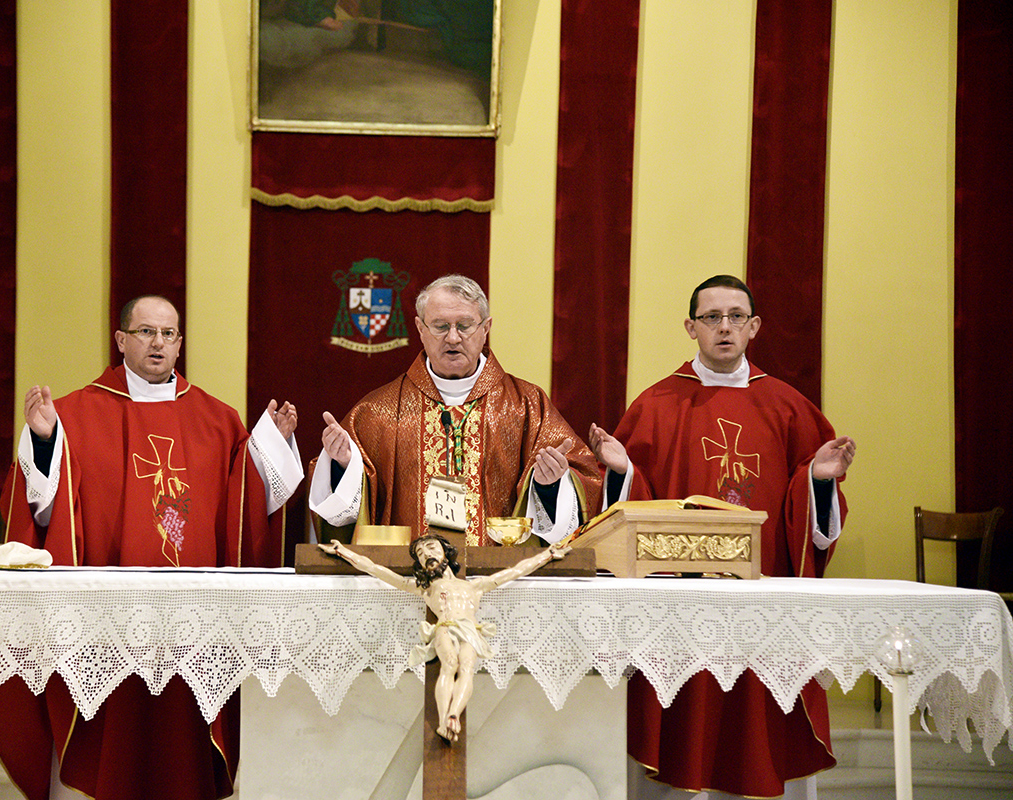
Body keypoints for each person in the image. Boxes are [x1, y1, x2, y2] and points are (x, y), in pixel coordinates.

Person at [0, 295, 304, 800]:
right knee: (115, 733)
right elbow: (43, 515)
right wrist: (45, 443)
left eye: (168, 334)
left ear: (179, 343)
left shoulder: (217, 418)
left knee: (182, 747)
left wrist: (270, 449)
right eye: (146, 332)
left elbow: (245, 508)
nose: (158, 343)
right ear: (121, 340)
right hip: (105, 624)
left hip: (194, 624)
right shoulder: (73, 413)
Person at [588, 275, 855, 800]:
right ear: (691, 328)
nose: (724, 327)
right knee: (684, 712)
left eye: (736, 317)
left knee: (756, 714)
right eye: (711, 317)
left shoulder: (787, 405)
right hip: (678, 603)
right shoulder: (657, 404)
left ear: (754, 327)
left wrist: (817, 480)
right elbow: (630, 511)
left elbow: (810, 518)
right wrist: (623, 473)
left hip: (761, 597)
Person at [309, 274, 602, 547]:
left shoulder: (526, 405)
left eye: (464, 326)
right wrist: (343, 466)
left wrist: (550, 485)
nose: (452, 338)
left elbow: (583, 477)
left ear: (485, 329)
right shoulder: (378, 412)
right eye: (440, 326)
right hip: (406, 575)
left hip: (498, 575)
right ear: (420, 329)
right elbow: (343, 516)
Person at [318, 533, 571, 741]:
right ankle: (443, 721)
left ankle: (454, 714)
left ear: (446, 553)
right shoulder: (426, 588)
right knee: (449, 665)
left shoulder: (474, 586)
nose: (426, 554)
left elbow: (515, 571)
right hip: (445, 626)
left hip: (470, 628)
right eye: (420, 553)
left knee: (467, 667)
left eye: (431, 548)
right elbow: (376, 569)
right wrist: (343, 551)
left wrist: (548, 554)